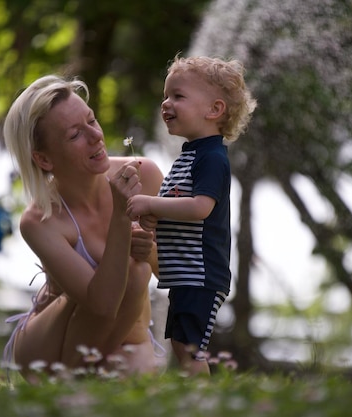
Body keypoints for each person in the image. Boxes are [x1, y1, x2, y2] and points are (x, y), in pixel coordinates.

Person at [1, 74, 165, 381]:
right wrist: (120, 215)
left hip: (128, 337)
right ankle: (71, 385)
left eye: (91, 120)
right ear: (44, 159)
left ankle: (92, 379)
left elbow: (175, 274)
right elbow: (101, 305)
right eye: (75, 134)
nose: (95, 137)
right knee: (131, 273)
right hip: (52, 347)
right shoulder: (40, 220)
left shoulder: (145, 175)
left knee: (140, 270)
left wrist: (152, 252)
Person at [126, 55, 257, 375]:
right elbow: (179, 206)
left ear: (214, 110)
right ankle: (193, 399)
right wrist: (155, 218)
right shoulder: (189, 156)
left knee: (190, 348)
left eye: (178, 96)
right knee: (182, 345)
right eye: (165, 95)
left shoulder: (211, 158)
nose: (166, 103)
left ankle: (200, 403)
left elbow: (201, 208)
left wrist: (151, 204)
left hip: (201, 274)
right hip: (186, 275)